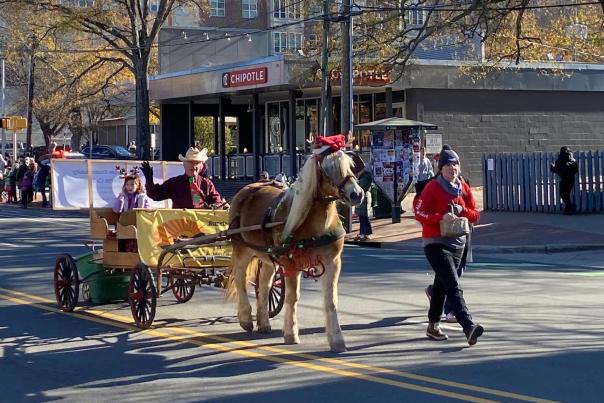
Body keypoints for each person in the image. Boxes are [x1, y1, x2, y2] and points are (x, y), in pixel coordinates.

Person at [414, 145, 483, 346]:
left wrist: (463, 210)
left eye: (456, 164)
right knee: (453, 285)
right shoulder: (433, 187)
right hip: (435, 242)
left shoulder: (464, 188)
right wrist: (439, 217)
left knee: (441, 286)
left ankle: (433, 326)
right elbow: (419, 212)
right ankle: (468, 327)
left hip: (458, 243)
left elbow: (476, 214)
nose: (453, 168)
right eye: (449, 164)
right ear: (441, 168)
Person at [141, 147, 227, 209]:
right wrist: (149, 181)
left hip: (202, 228)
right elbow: (156, 195)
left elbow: (217, 202)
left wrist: (214, 206)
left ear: (201, 166)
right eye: (190, 162)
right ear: (184, 164)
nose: (193, 165)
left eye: (196, 163)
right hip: (179, 227)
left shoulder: (207, 184)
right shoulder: (175, 183)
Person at [550, 146, 578, 215]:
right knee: (565, 194)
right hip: (570, 179)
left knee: (563, 194)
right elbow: (575, 170)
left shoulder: (560, 159)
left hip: (564, 179)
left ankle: (569, 208)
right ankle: (568, 208)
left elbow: (556, 170)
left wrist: (552, 168)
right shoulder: (572, 159)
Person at [355, 166, 373, 241]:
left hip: (363, 198)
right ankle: (364, 233)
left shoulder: (364, 178)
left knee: (363, 217)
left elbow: (361, 188)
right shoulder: (363, 177)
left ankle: (364, 233)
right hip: (363, 198)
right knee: (362, 217)